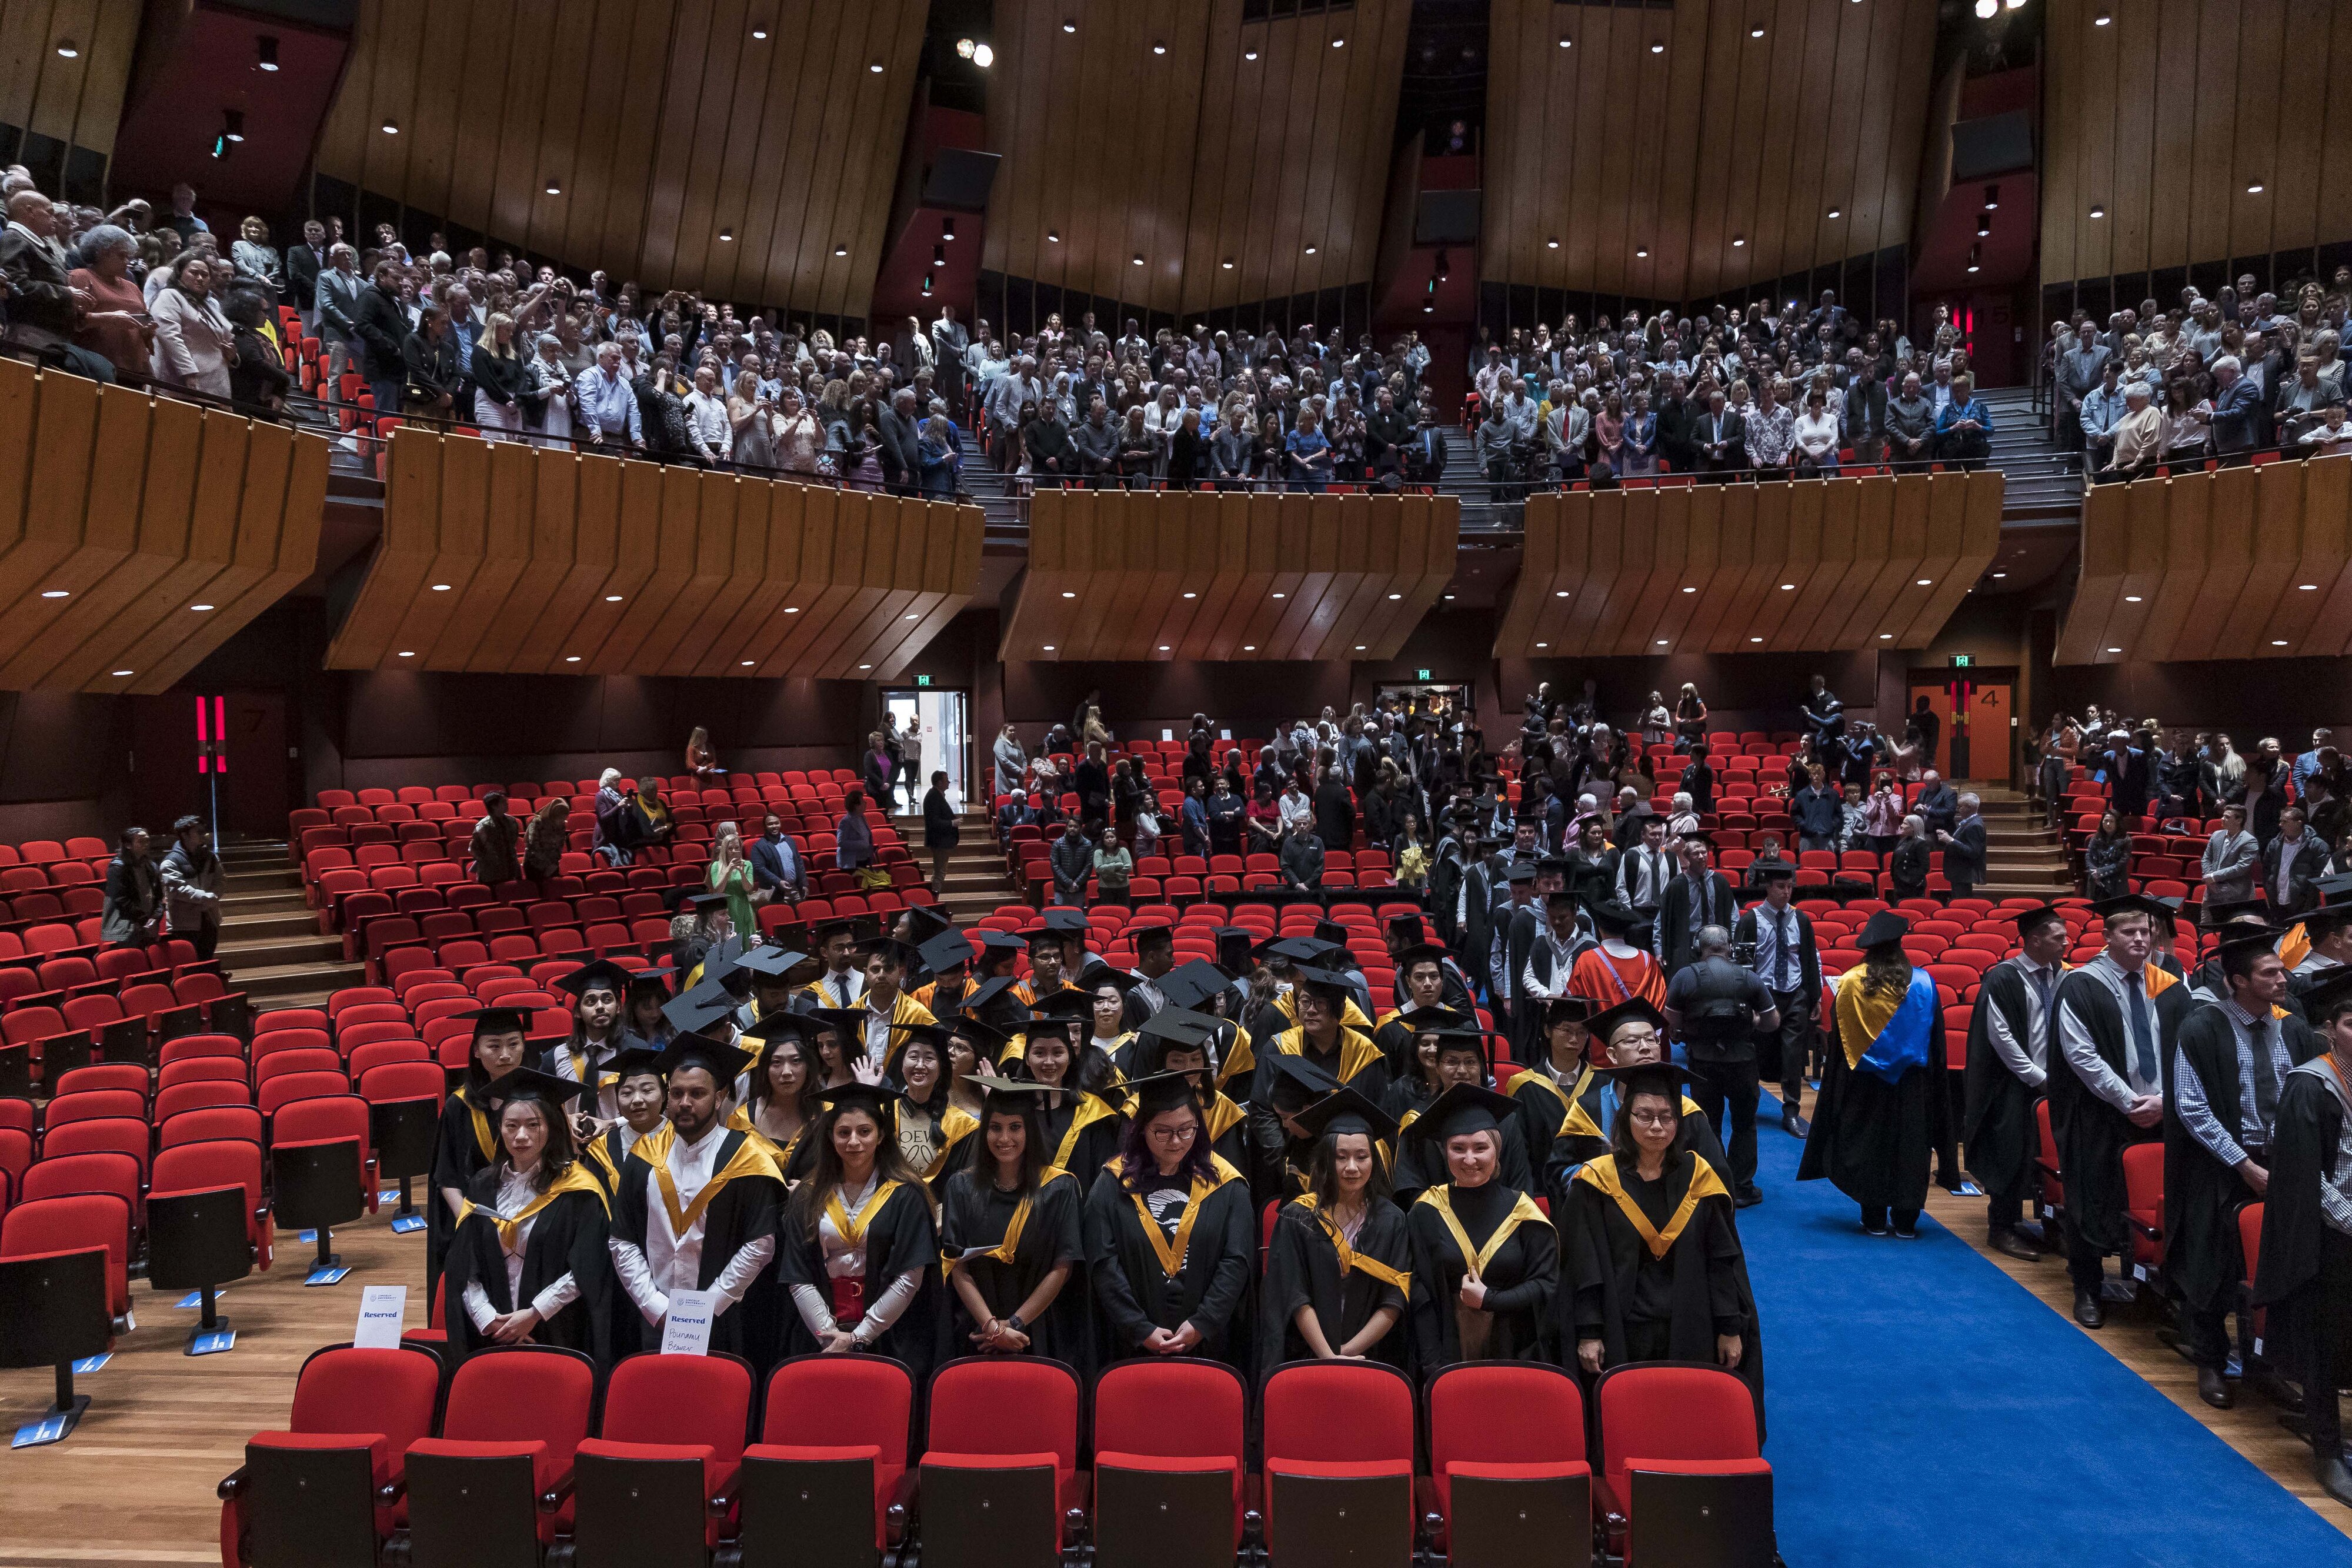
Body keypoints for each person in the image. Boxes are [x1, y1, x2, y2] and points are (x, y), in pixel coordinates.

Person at [2167, 932, 2318, 1410]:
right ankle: (2210, 1361)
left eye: (2281, 970)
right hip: (2219, 1166)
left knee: (2272, 1268)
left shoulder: (2292, 1027)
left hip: (2284, 1167)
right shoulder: (2201, 1027)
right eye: (2269, 973)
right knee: (2213, 1265)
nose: (2282, 979)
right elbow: (2190, 1106)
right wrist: (2243, 1163)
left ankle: (2262, 1366)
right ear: (2237, 981)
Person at [1562, 1062, 1757, 1420]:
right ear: (1626, 1118)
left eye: (1667, 1117)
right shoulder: (1596, 1183)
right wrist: (1588, 1332)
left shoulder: (1700, 1177)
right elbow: (1583, 1266)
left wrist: (1729, 1327)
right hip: (1621, 1326)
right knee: (1631, 1417)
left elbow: (1722, 1258)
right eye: (1645, 1116)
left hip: (1691, 1324)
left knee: (1685, 1417)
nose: (1656, 1127)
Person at [2051, 895, 2197, 1328]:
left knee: (2157, 1203)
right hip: (2100, 1115)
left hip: (2160, 1113)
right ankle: (2088, 1288)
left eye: (2146, 932)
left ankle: (2155, 1289)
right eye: (2129, 932)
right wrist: (2129, 1102)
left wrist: (2164, 1101)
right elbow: (2080, 1055)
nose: (2140, 939)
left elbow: (2189, 1050)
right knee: (2092, 1200)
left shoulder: (2169, 984)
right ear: (2107, 937)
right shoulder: (2080, 983)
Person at [607, 1035, 788, 1363]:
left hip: (726, 1317)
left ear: (719, 1098)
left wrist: (708, 1307)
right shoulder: (643, 1156)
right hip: (654, 1318)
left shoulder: (746, 1157)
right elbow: (622, 1240)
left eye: (697, 1093)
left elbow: (761, 1243)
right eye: (677, 1093)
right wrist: (655, 1306)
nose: (685, 1103)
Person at [2250, 968, 2352, 1506]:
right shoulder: (2309, 1084)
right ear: (2330, 1029)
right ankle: (2327, 1451)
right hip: (2322, 1241)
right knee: (2322, 1344)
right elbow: (2302, 1173)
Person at [1083, 1070, 1255, 1366]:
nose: (1175, 1141)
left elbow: (1236, 1260)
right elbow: (1103, 1263)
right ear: (1141, 1130)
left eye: (1186, 1130)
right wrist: (1139, 1328)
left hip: (1207, 1341)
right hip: (1131, 1341)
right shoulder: (1113, 1183)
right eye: (1162, 1131)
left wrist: (1204, 1322)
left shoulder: (1226, 1183)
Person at [1800, 913, 1955, 1237]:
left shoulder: (1851, 982)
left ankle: (1873, 1219)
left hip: (1864, 1084)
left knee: (1870, 1144)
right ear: (1900, 945)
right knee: (1911, 1146)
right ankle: (1906, 1222)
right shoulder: (1924, 984)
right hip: (1913, 1084)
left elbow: (1840, 1047)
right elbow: (1936, 1045)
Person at [444, 1069, 611, 1365]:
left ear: (551, 1128)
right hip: (492, 1331)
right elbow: (464, 1265)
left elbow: (588, 1265)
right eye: (512, 1126)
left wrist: (534, 1314)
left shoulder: (578, 1190)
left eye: (533, 1125)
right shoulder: (483, 1186)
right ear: (501, 1129)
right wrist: (490, 1320)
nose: (521, 1136)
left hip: (556, 1326)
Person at [1404, 1082, 1558, 1365]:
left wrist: (1491, 1300)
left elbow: (1545, 1284)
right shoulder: (1426, 1211)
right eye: (1458, 1148)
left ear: (1497, 1151)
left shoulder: (1523, 1211)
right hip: (1444, 1351)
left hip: (1515, 1351)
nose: (1470, 1159)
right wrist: (1431, 1366)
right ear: (1445, 1152)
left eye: (1481, 1147)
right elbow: (1419, 1293)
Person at [1259, 1086, 1411, 1370]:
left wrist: (1348, 1352)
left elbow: (1394, 1299)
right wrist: (1328, 1356)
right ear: (1326, 1160)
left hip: (1371, 1357)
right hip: (1306, 1355)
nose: (1351, 1167)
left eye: (1362, 1157)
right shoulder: (1296, 1218)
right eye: (1341, 1157)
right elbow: (1294, 1295)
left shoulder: (1393, 1220)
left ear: (1374, 1161)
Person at [939, 1078, 1086, 1361]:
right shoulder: (961, 1186)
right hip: (978, 1331)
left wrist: (1014, 1325)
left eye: (1015, 1128)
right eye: (995, 1128)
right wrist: (993, 1329)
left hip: (1036, 1329)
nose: (1004, 1139)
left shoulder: (1059, 1188)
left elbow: (1063, 1267)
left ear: (1030, 1130)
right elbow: (958, 1268)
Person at [1961, 906, 2070, 1261]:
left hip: (2053, 1084)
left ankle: (2050, 1224)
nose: (2066, 943)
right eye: (2058, 938)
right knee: (2010, 1153)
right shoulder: (2005, 977)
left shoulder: (2060, 975)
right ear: (2035, 939)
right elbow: (2001, 1036)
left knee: (2047, 1156)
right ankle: (2002, 1228)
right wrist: (2038, 1079)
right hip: (2012, 1084)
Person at [1666, 925, 1779, 1205]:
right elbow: (1772, 1023)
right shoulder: (1749, 977)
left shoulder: (1684, 977)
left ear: (1698, 948)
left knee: (1708, 1124)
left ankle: (1712, 1185)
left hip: (1702, 1064)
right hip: (1742, 1063)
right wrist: (1752, 1021)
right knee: (1744, 1124)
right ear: (1729, 947)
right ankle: (1742, 1188)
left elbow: (1670, 1024)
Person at [429, 1007, 536, 1305]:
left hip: (537, 1216)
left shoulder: (542, 1099)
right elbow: (447, 1177)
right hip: (480, 1220)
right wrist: (470, 1223)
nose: (505, 1055)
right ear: (476, 1051)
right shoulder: (459, 1106)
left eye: (514, 1044)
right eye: (494, 1046)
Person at [1732, 862, 1820, 1137]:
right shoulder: (1751, 920)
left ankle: (1791, 1111)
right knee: (1758, 1051)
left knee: (1794, 1053)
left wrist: (1814, 996)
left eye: (1790, 886)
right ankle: (1750, 1103)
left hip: (1795, 994)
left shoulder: (1801, 920)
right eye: (1781, 887)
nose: (1787, 892)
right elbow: (1740, 964)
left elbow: (1809, 959)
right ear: (1768, 888)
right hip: (1763, 995)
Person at [158, 814, 222, 960]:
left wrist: (213, 896)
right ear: (184, 835)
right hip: (184, 925)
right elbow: (179, 890)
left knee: (207, 962)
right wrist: (207, 898)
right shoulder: (170, 862)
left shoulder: (211, 857)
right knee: (189, 966)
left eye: (203, 831)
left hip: (209, 919)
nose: (203, 834)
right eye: (198, 831)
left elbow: (221, 881)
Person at [101, 826, 159, 947]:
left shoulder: (151, 866)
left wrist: (155, 918)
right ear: (128, 845)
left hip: (149, 924)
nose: (146, 844)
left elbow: (159, 895)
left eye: (147, 841)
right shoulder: (118, 868)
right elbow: (120, 900)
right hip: (126, 927)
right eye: (141, 841)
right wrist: (144, 920)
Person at [1936, 791, 1987, 899]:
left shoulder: (1975, 825)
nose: (1958, 809)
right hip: (1960, 873)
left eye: (1960, 806)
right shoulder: (1970, 822)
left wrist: (1950, 840)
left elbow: (1973, 852)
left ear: (1969, 807)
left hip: (1964, 873)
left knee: (1961, 902)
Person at [470, 790, 521, 886]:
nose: (507, 803)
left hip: (512, 868)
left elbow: (513, 842)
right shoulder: (483, 826)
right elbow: (475, 849)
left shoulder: (512, 821)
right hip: (491, 873)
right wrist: (489, 861)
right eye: (503, 802)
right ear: (494, 806)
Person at [922, 770, 958, 896]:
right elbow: (934, 821)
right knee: (940, 873)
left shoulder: (937, 795)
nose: (949, 782)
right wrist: (952, 823)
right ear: (939, 782)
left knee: (939, 872)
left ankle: (933, 898)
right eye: (946, 780)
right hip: (939, 841)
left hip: (942, 841)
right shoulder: (934, 796)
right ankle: (933, 899)